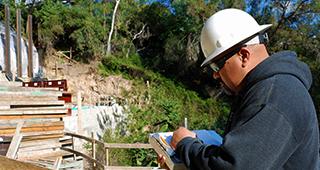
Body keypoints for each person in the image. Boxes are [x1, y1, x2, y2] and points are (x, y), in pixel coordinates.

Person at [165, 8, 320, 169]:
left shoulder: (273, 96)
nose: (215, 75)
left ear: (244, 56)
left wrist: (185, 145)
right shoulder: (267, 89)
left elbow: (233, 166)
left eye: (216, 65)